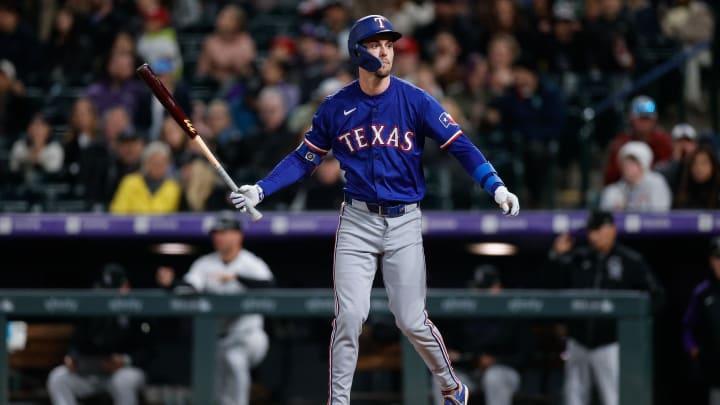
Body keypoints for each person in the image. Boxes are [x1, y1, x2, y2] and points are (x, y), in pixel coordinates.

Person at [229, 14, 520, 405]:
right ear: (357, 53)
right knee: (349, 318)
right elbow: (304, 159)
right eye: (375, 45)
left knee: (411, 321)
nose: (385, 52)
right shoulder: (336, 107)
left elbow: (460, 145)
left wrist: (495, 184)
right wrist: (261, 190)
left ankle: (451, 386)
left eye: (389, 44)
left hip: (404, 219)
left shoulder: (414, 99)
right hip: (358, 219)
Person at [546, 209, 664, 405]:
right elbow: (550, 287)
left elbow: (657, 297)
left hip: (610, 344)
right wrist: (555, 256)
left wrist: (632, 332)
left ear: (611, 230)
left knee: (614, 399)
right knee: (573, 399)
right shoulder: (579, 258)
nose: (592, 236)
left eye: (597, 230)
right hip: (578, 342)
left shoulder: (630, 260)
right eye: (590, 231)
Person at [157, 211, 275, 405]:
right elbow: (189, 286)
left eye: (224, 232)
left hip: (248, 336)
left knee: (235, 358)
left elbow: (270, 285)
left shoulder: (250, 263)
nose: (218, 237)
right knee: (215, 384)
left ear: (238, 235)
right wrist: (171, 283)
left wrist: (237, 278)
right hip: (217, 337)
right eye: (216, 233)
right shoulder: (205, 264)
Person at [46, 263, 151, 405]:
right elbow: (76, 342)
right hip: (91, 371)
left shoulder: (138, 311)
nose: (108, 296)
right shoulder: (92, 310)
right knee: (58, 378)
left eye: (113, 290)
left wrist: (125, 360)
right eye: (105, 290)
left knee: (122, 382)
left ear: (125, 287)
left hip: (124, 371)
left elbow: (149, 350)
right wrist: (72, 357)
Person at [432, 264, 533, 405]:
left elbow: (524, 356)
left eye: (484, 288)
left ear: (498, 288)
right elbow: (452, 343)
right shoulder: (466, 312)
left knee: (494, 377)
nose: (478, 293)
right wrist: (453, 355)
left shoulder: (513, 313)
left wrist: (495, 361)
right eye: (477, 288)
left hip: (504, 372)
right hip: (470, 371)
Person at [602, 95, 672, 185]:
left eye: (647, 119)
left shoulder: (663, 141)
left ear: (654, 120)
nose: (644, 124)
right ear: (631, 119)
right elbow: (610, 179)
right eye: (640, 119)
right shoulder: (621, 142)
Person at [683, 236, 720, 405]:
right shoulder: (703, 292)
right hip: (714, 370)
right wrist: (693, 349)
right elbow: (688, 326)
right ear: (711, 261)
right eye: (717, 258)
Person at [109, 140, 181, 214]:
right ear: (146, 163)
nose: (158, 166)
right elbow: (117, 212)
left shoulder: (173, 187)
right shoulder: (130, 182)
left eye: (162, 163)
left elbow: (176, 217)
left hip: (162, 225)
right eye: (155, 162)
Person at [599, 140, 672, 211]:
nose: (627, 166)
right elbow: (606, 219)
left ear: (644, 164)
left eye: (633, 162)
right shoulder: (613, 191)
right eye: (625, 162)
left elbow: (660, 216)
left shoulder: (656, 183)